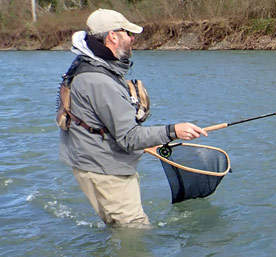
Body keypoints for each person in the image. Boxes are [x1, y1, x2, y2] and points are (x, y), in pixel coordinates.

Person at [59, 8, 206, 228]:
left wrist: (149, 144)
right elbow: (129, 137)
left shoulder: (84, 66)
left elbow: (97, 121)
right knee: (135, 234)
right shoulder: (100, 81)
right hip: (105, 171)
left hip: (90, 163)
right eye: (128, 33)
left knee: (118, 229)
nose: (133, 39)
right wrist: (174, 131)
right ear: (113, 36)